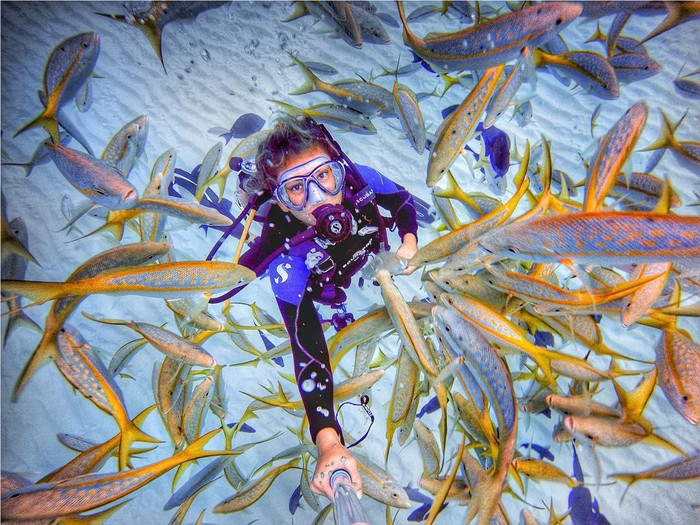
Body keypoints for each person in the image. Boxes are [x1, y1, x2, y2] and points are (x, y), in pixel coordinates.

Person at [214, 115, 418, 501]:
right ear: (282, 202)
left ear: (339, 171)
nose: (319, 197)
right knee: (253, 201)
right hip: (319, 275)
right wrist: (328, 441)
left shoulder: (360, 181)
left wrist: (408, 243)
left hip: (361, 265)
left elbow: (403, 200)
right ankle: (248, 182)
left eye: (324, 177)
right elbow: (307, 351)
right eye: (296, 188)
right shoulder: (286, 259)